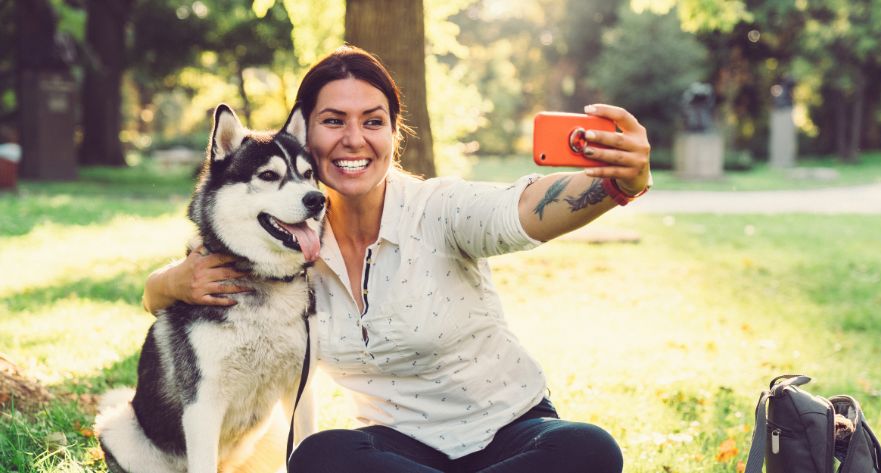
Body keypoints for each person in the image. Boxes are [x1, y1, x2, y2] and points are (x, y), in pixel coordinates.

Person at [142, 46, 651, 473]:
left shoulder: (439, 209)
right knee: (318, 457)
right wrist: (168, 283)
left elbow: (521, 207)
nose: (354, 139)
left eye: (373, 121)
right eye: (333, 121)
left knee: (589, 448)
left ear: (393, 133)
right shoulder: (285, 244)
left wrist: (619, 183)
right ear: (305, 137)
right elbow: (175, 290)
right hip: (399, 450)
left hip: (511, 432)